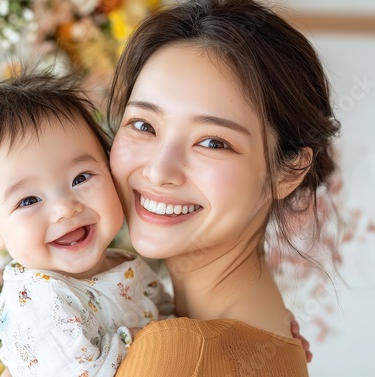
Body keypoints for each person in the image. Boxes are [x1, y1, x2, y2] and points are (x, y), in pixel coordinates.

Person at [103, 0, 340, 375]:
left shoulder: (180, 353)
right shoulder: (264, 339)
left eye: (213, 142)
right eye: (144, 125)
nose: (159, 170)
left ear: (289, 171)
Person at [0, 71, 169, 376]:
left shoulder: (124, 265)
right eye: (28, 201)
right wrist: (149, 339)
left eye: (80, 178)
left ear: (110, 168)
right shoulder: (36, 302)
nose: (64, 209)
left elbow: (175, 318)